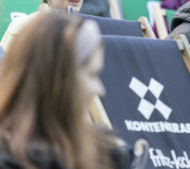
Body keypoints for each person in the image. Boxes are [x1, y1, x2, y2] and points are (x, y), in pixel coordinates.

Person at [0, 13, 130, 169]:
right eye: (91, 75)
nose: (100, 89)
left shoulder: (109, 150)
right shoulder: (12, 160)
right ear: (54, 81)